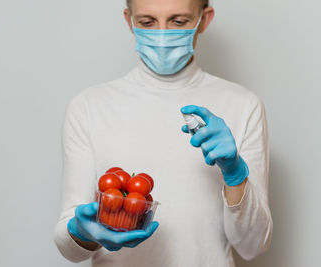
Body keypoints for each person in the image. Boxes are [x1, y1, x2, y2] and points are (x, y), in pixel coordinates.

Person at [53, 0, 273, 266]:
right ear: (129, 20)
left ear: (204, 19)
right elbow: (70, 250)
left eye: (178, 22)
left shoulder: (244, 105)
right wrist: (81, 232)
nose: (162, 34)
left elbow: (253, 246)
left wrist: (236, 175)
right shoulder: (88, 106)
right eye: (147, 22)